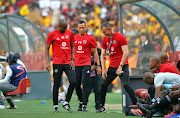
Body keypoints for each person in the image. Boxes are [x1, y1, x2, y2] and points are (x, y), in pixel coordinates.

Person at [97, 22, 137, 113]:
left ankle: (136, 104)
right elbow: (103, 55)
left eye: (105, 32)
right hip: (112, 67)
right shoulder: (104, 40)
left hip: (123, 66)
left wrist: (120, 67)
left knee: (126, 85)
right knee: (103, 85)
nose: (104, 34)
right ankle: (101, 107)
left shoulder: (120, 37)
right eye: (103, 32)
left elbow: (126, 52)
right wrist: (103, 69)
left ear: (110, 29)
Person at [45, 19, 76, 113]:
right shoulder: (52, 34)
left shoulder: (70, 33)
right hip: (57, 63)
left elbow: (73, 46)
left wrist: (73, 58)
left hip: (68, 63)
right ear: (58, 26)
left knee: (74, 81)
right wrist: (47, 62)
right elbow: (46, 49)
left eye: (66, 27)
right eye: (63, 28)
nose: (65, 29)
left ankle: (66, 102)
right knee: (56, 84)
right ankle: (55, 106)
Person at [74, 20, 101, 111]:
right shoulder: (74, 39)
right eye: (80, 27)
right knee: (80, 86)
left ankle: (90, 105)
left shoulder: (91, 39)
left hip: (90, 67)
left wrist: (98, 66)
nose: (82, 29)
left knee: (90, 86)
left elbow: (97, 53)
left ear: (86, 28)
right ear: (77, 28)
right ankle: (82, 103)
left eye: (83, 27)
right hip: (81, 66)